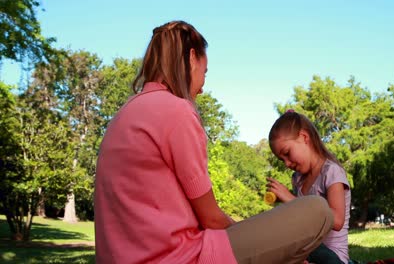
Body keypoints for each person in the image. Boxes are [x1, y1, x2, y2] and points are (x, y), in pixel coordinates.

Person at [94, 20, 334, 264]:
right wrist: (255, 237)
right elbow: (211, 219)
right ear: (191, 58)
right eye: (204, 72)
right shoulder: (176, 111)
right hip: (180, 258)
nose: (202, 88)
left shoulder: (124, 114)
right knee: (318, 211)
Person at [267, 110, 351, 264]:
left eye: (287, 153)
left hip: (332, 257)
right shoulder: (298, 179)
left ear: (304, 137)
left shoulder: (331, 172)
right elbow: (301, 222)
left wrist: (292, 201)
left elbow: (337, 221)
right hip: (307, 250)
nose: (286, 163)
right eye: (281, 160)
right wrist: (285, 204)